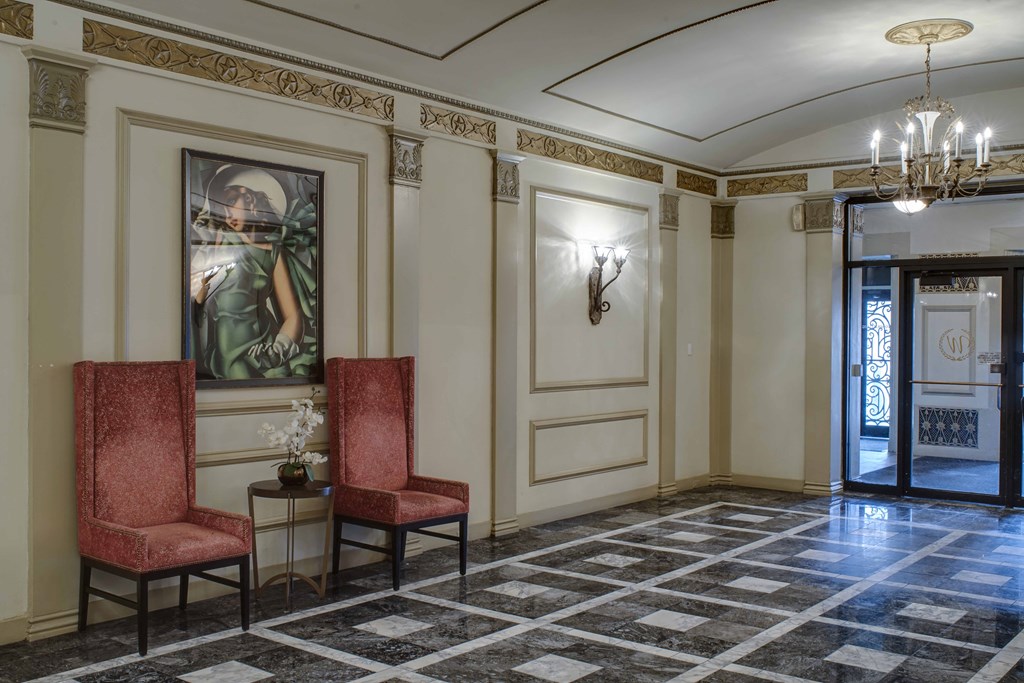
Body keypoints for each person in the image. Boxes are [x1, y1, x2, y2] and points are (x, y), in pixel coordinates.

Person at [189, 164, 317, 380]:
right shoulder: (220, 245)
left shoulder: (274, 253)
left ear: (251, 198)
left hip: (263, 353)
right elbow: (197, 301)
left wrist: (277, 350)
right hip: (226, 354)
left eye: (230, 201)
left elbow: (293, 316)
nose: (226, 213)